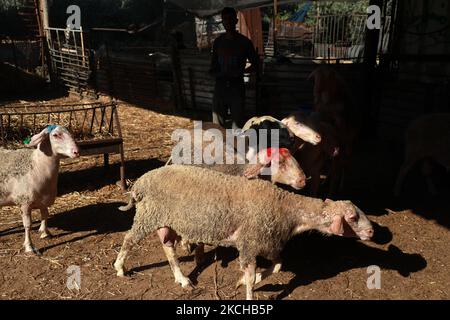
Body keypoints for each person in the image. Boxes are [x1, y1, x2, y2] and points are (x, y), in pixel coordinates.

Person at [209, 7, 259, 129]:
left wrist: (241, 72)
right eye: (225, 19)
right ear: (222, 21)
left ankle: (236, 146)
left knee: (237, 122)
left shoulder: (245, 42)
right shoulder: (218, 42)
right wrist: (213, 72)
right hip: (220, 86)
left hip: (236, 87)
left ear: (236, 21)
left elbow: (257, 64)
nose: (228, 22)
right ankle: (219, 146)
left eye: (230, 19)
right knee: (217, 123)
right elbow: (213, 64)